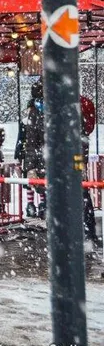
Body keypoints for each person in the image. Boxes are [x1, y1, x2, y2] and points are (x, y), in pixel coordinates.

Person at [20, 81, 45, 218]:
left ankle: (38, 204)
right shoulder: (34, 115)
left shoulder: (34, 114)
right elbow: (29, 142)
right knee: (37, 184)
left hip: (41, 157)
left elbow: (29, 143)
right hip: (41, 158)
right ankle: (37, 204)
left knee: (39, 183)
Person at [80, 95, 101, 247]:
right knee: (83, 194)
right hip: (78, 157)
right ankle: (88, 230)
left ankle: (87, 230)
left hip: (75, 158)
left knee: (81, 194)